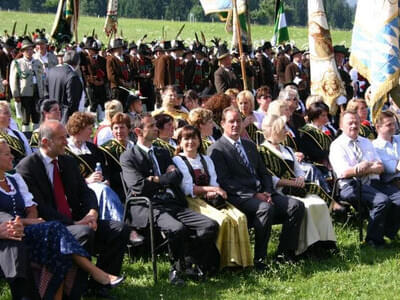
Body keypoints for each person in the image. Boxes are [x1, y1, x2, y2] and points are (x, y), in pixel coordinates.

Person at [16, 120, 130, 299]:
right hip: (52, 227)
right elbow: (41, 208)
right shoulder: (27, 167)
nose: (66, 142)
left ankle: (99, 288)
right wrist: (75, 222)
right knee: (83, 233)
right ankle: (76, 291)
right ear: (46, 142)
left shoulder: (67, 162)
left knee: (119, 229)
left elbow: (86, 192)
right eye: (62, 138)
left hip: (79, 219)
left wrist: (92, 212)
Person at [120, 114, 219, 285]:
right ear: (138, 131)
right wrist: (165, 178)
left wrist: (156, 179)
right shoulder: (129, 156)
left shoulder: (162, 151)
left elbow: (177, 176)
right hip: (149, 206)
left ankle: (187, 262)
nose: (156, 129)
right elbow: (139, 187)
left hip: (172, 203)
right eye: (151, 126)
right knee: (177, 229)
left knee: (209, 226)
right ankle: (176, 270)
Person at [208, 106, 305, 268]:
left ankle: (284, 253)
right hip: (240, 197)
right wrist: (254, 195)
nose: (235, 125)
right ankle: (260, 259)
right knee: (265, 209)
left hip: (263, 193)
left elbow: (264, 173)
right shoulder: (216, 149)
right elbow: (226, 182)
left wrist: (267, 190)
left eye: (238, 121)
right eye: (231, 121)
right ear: (222, 123)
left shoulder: (250, 145)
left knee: (296, 206)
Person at [173, 125, 253, 268]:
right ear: (180, 142)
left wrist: (213, 192)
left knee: (239, 217)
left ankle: (238, 261)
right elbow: (187, 188)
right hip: (192, 201)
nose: (190, 142)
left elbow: (214, 181)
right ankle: (220, 262)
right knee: (222, 220)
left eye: (194, 138)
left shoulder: (205, 159)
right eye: (186, 139)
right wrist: (213, 189)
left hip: (211, 198)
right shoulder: (178, 161)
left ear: (199, 141)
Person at [258, 114, 336, 256]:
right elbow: (270, 179)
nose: (286, 131)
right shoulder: (262, 151)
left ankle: (324, 243)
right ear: (273, 130)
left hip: (295, 189)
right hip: (280, 192)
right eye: (282, 128)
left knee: (318, 203)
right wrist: (291, 182)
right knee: (306, 206)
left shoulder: (287, 150)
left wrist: (300, 178)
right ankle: (304, 247)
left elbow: (298, 169)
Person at [329, 110, 400, 247]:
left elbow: (380, 167)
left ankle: (388, 232)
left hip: (373, 181)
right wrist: (361, 168)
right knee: (381, 200)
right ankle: (373, 241)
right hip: (351, 185)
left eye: (356, 122)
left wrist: (366, 167)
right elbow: (344, 173)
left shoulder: (366, 142)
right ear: (341, 126)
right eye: (350, 123)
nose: (354, 126)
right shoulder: (337, 146)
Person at [65, 112, 124, 221]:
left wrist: (105, 179)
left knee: (104, 189)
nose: (92, 132)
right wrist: (87, 180)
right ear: (79, 129)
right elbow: (65, 178)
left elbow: (104, 169)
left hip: (100, 187)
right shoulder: (64, 150)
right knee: (103, 190)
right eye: (89, 129)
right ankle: (119, 222)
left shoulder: (92, 148)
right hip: (77, 191)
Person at [9, 39, 45, 132]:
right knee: (26, 117)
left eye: (30, 49)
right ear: (23, 52)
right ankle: (26, 135)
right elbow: (13, 80)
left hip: (37, 92)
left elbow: (42, 78)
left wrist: (43, 92)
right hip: (25, 93)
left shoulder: (38, 62)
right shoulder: (17, 63)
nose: (29, 52)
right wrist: (15, 94)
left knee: (37, 115)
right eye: (26, 50)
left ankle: (36, 136)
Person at [100, 112, 135, 201]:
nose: (119, 131)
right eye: (116, 128)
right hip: (118, 190)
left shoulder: (134, 146)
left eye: (122, 127)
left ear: (129, 129)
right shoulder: (106, 149)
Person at [46, 50, 84, 124]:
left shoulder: (51, 71)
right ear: (78, 62)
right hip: (65, 118)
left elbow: (46, 94)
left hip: (51, 114)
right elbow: (73, 103)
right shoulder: (73, 76)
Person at [373, 111, 400, 188]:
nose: (393, 127)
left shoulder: (398, 138)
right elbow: (394, 169)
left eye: (394, 124)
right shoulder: (375, 147)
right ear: (378, 127)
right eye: (389, 125)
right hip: (392, 184)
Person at [0, 101, 32, 167]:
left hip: (22, 172)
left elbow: (29, 155)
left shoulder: (18, 134)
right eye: (6, 113)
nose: (10, 115)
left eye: (10, 113)